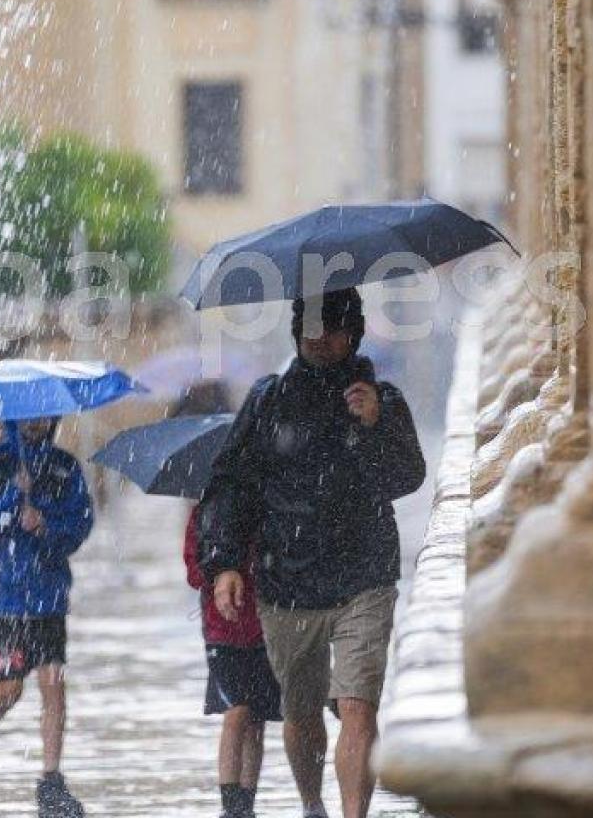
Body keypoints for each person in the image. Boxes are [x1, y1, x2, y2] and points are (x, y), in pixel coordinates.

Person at [197, 287, 427, 818]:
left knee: (356, 705)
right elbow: (232, 483)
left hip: (363, 576)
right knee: (300, 713)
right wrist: (225, 562)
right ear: (297, 333)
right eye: (312, 330)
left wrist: (374, 428)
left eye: (335, 329)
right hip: (288, 584)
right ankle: (311, 803)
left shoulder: (382, 400)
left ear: (355, 334)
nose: (322, 340)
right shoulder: (267, 400)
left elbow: (407, 476)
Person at [0, 417, 94, 818]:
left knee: (53, 682)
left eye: (44, 415)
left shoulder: (64, 466)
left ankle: (51, 781)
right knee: (10, 689)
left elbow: (80, 525)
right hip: (2, 597)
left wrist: (46, 525)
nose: (38, 423)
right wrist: (12, 502)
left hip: (47, 595)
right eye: (30, 416)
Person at [185, 500, 281, 818]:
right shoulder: (206, 513)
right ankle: (231, 806)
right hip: (222, 631)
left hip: (264, 628)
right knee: (237, 710)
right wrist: (221, 571)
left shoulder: (269, 507)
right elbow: (193, 568)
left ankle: (246, 805)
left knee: (256, 718)